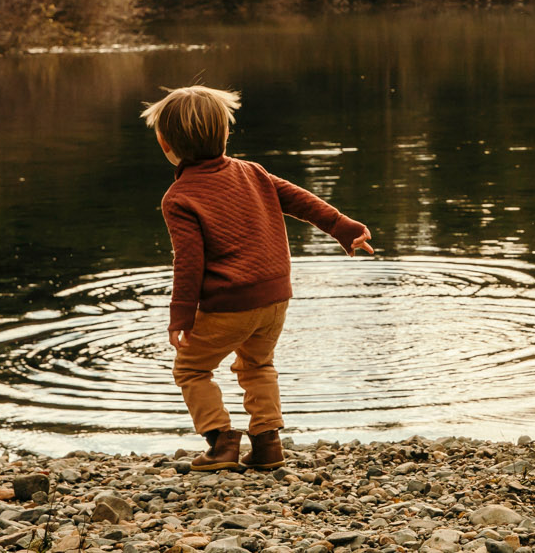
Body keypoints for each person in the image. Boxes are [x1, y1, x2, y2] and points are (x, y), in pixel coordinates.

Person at [145, 84, 375, 472]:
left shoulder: (179, 196)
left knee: (191, 368)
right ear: (226, 133)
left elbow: (188, 261)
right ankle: (268, 443)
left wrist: (181, 316)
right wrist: (344, 227)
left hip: (228, 303)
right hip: (274, 297)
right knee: (258, 364)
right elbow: (302, 201)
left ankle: (220, 442)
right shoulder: (252, 172)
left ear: (165, 143)